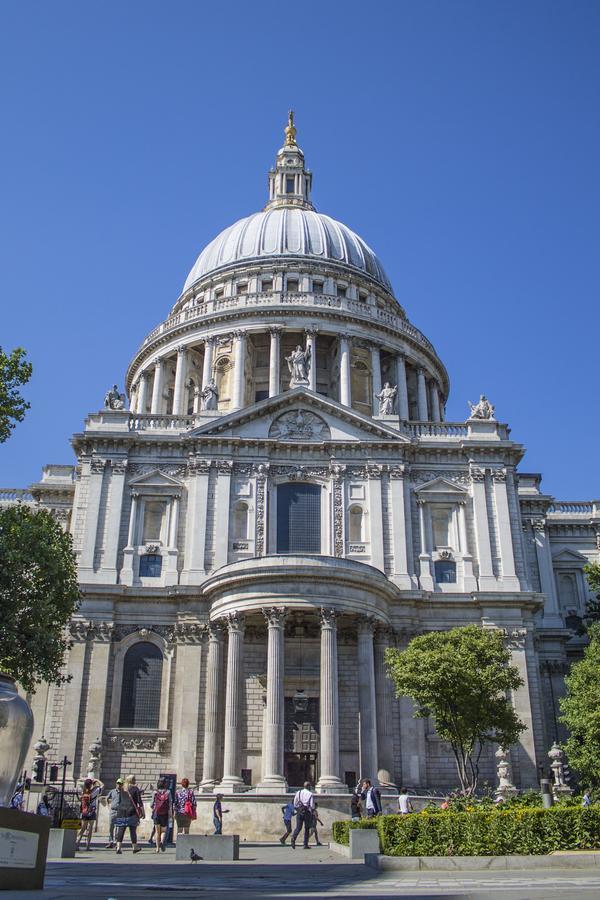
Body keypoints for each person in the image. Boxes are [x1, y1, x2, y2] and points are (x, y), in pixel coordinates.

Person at [113, 780, 141, 854]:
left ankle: (118, 847)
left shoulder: (122, 789)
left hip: (121, 811)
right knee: (132, 830)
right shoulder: (135, 789)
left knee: (121, 829)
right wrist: (142, 812)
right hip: (131, 811)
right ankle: (135, 847)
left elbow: (119, 801)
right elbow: (139, 802)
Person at [76, 777, 104, 851]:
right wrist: (97, 780)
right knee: (90, 829)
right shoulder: (95, 791)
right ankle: (88, 846)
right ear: (91, 784)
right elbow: (102, 785)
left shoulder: (83, 792)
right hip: (91, 812)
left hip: (84, 812)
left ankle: (77, 844)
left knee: (82, 829)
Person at [291, 781, 315, 850]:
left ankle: (293, 837)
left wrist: (298, 809)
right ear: (308, 786)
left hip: (299, 811)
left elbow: (295, 803)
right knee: (307, 828)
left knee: (298, 827)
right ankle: (305, 844)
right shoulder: (310, 794)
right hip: (307, 812)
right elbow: (311, 805)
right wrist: (311, 811)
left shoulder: (298, 792)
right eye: (310, 786)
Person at [151, 778, 172, 853]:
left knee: (157, 831)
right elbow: (170, 804)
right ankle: (162, 842)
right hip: (165, 814)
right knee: (163, 831)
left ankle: (157, 848)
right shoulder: (168, 792)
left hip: (156, 813)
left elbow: (151, 804)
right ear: (165, 784)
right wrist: (170, 814)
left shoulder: (155, 792)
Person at [105, 778, 123, 848]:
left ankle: (116, 842)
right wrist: (108, 806)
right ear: (116, 784)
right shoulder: (112, 791)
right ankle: (111, 841)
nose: (119, 785)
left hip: (120, 811)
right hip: (112, 811)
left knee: (118, 828)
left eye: (120, 784)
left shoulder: (123, 792)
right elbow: (107, 798)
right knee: (111, 827)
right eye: (118, 783)